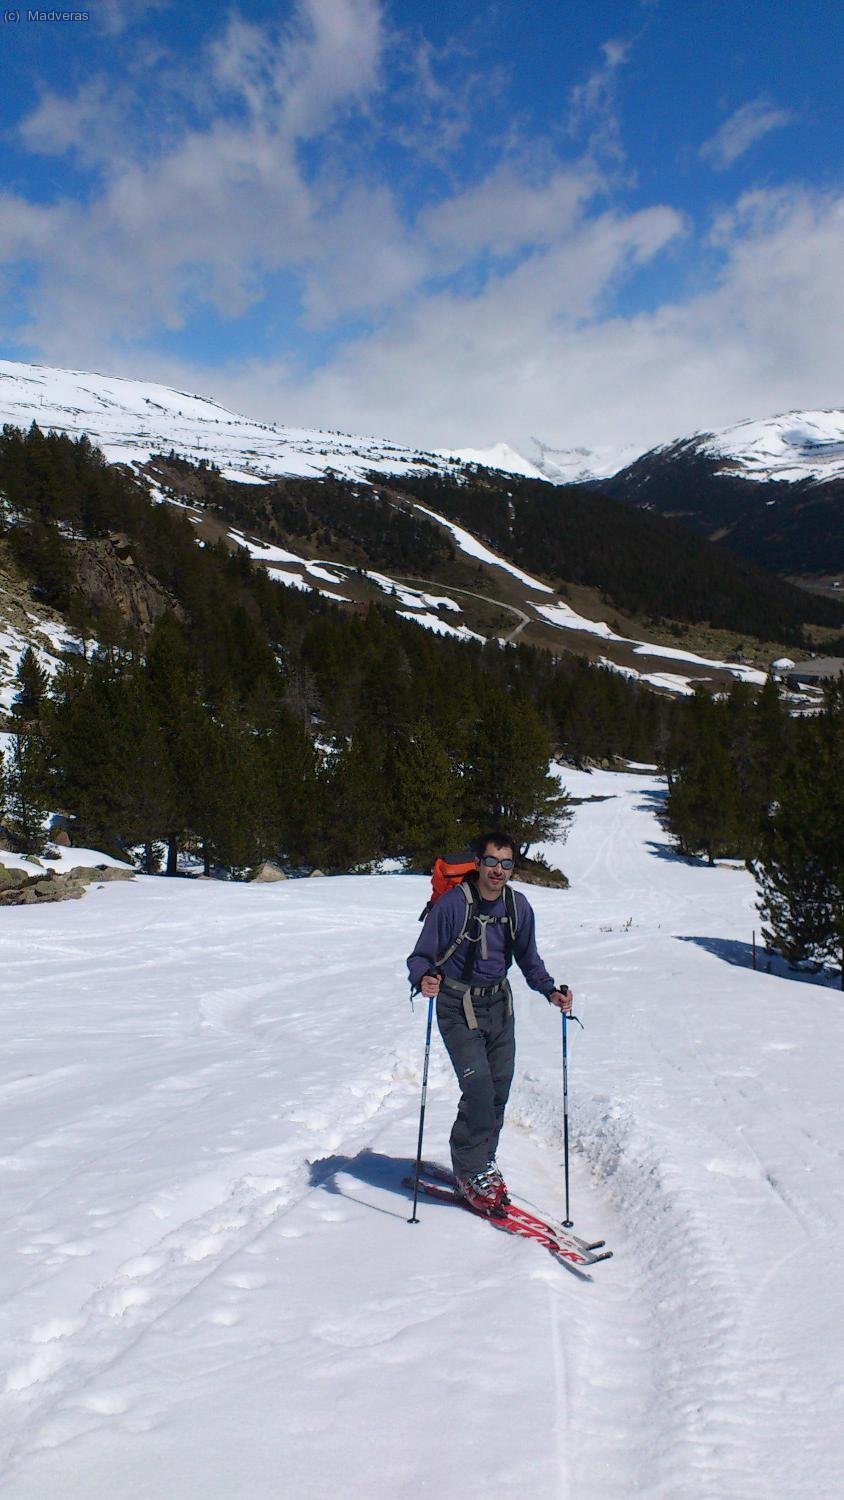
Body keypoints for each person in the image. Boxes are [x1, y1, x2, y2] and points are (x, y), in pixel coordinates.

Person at [407, 830, 572, 1214]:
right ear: (478, 863)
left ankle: (483, 1162)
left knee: (498, 1089)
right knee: (479, 1089)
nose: (498, 871)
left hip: (500, 1004)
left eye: (507, 863)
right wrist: (423, 978)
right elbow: (419, 957)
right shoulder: (452, 906)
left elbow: (530, 959)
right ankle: (469, 1169)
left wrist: (551, 991)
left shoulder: (518, 907)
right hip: (456, 1003)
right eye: (492, 862)